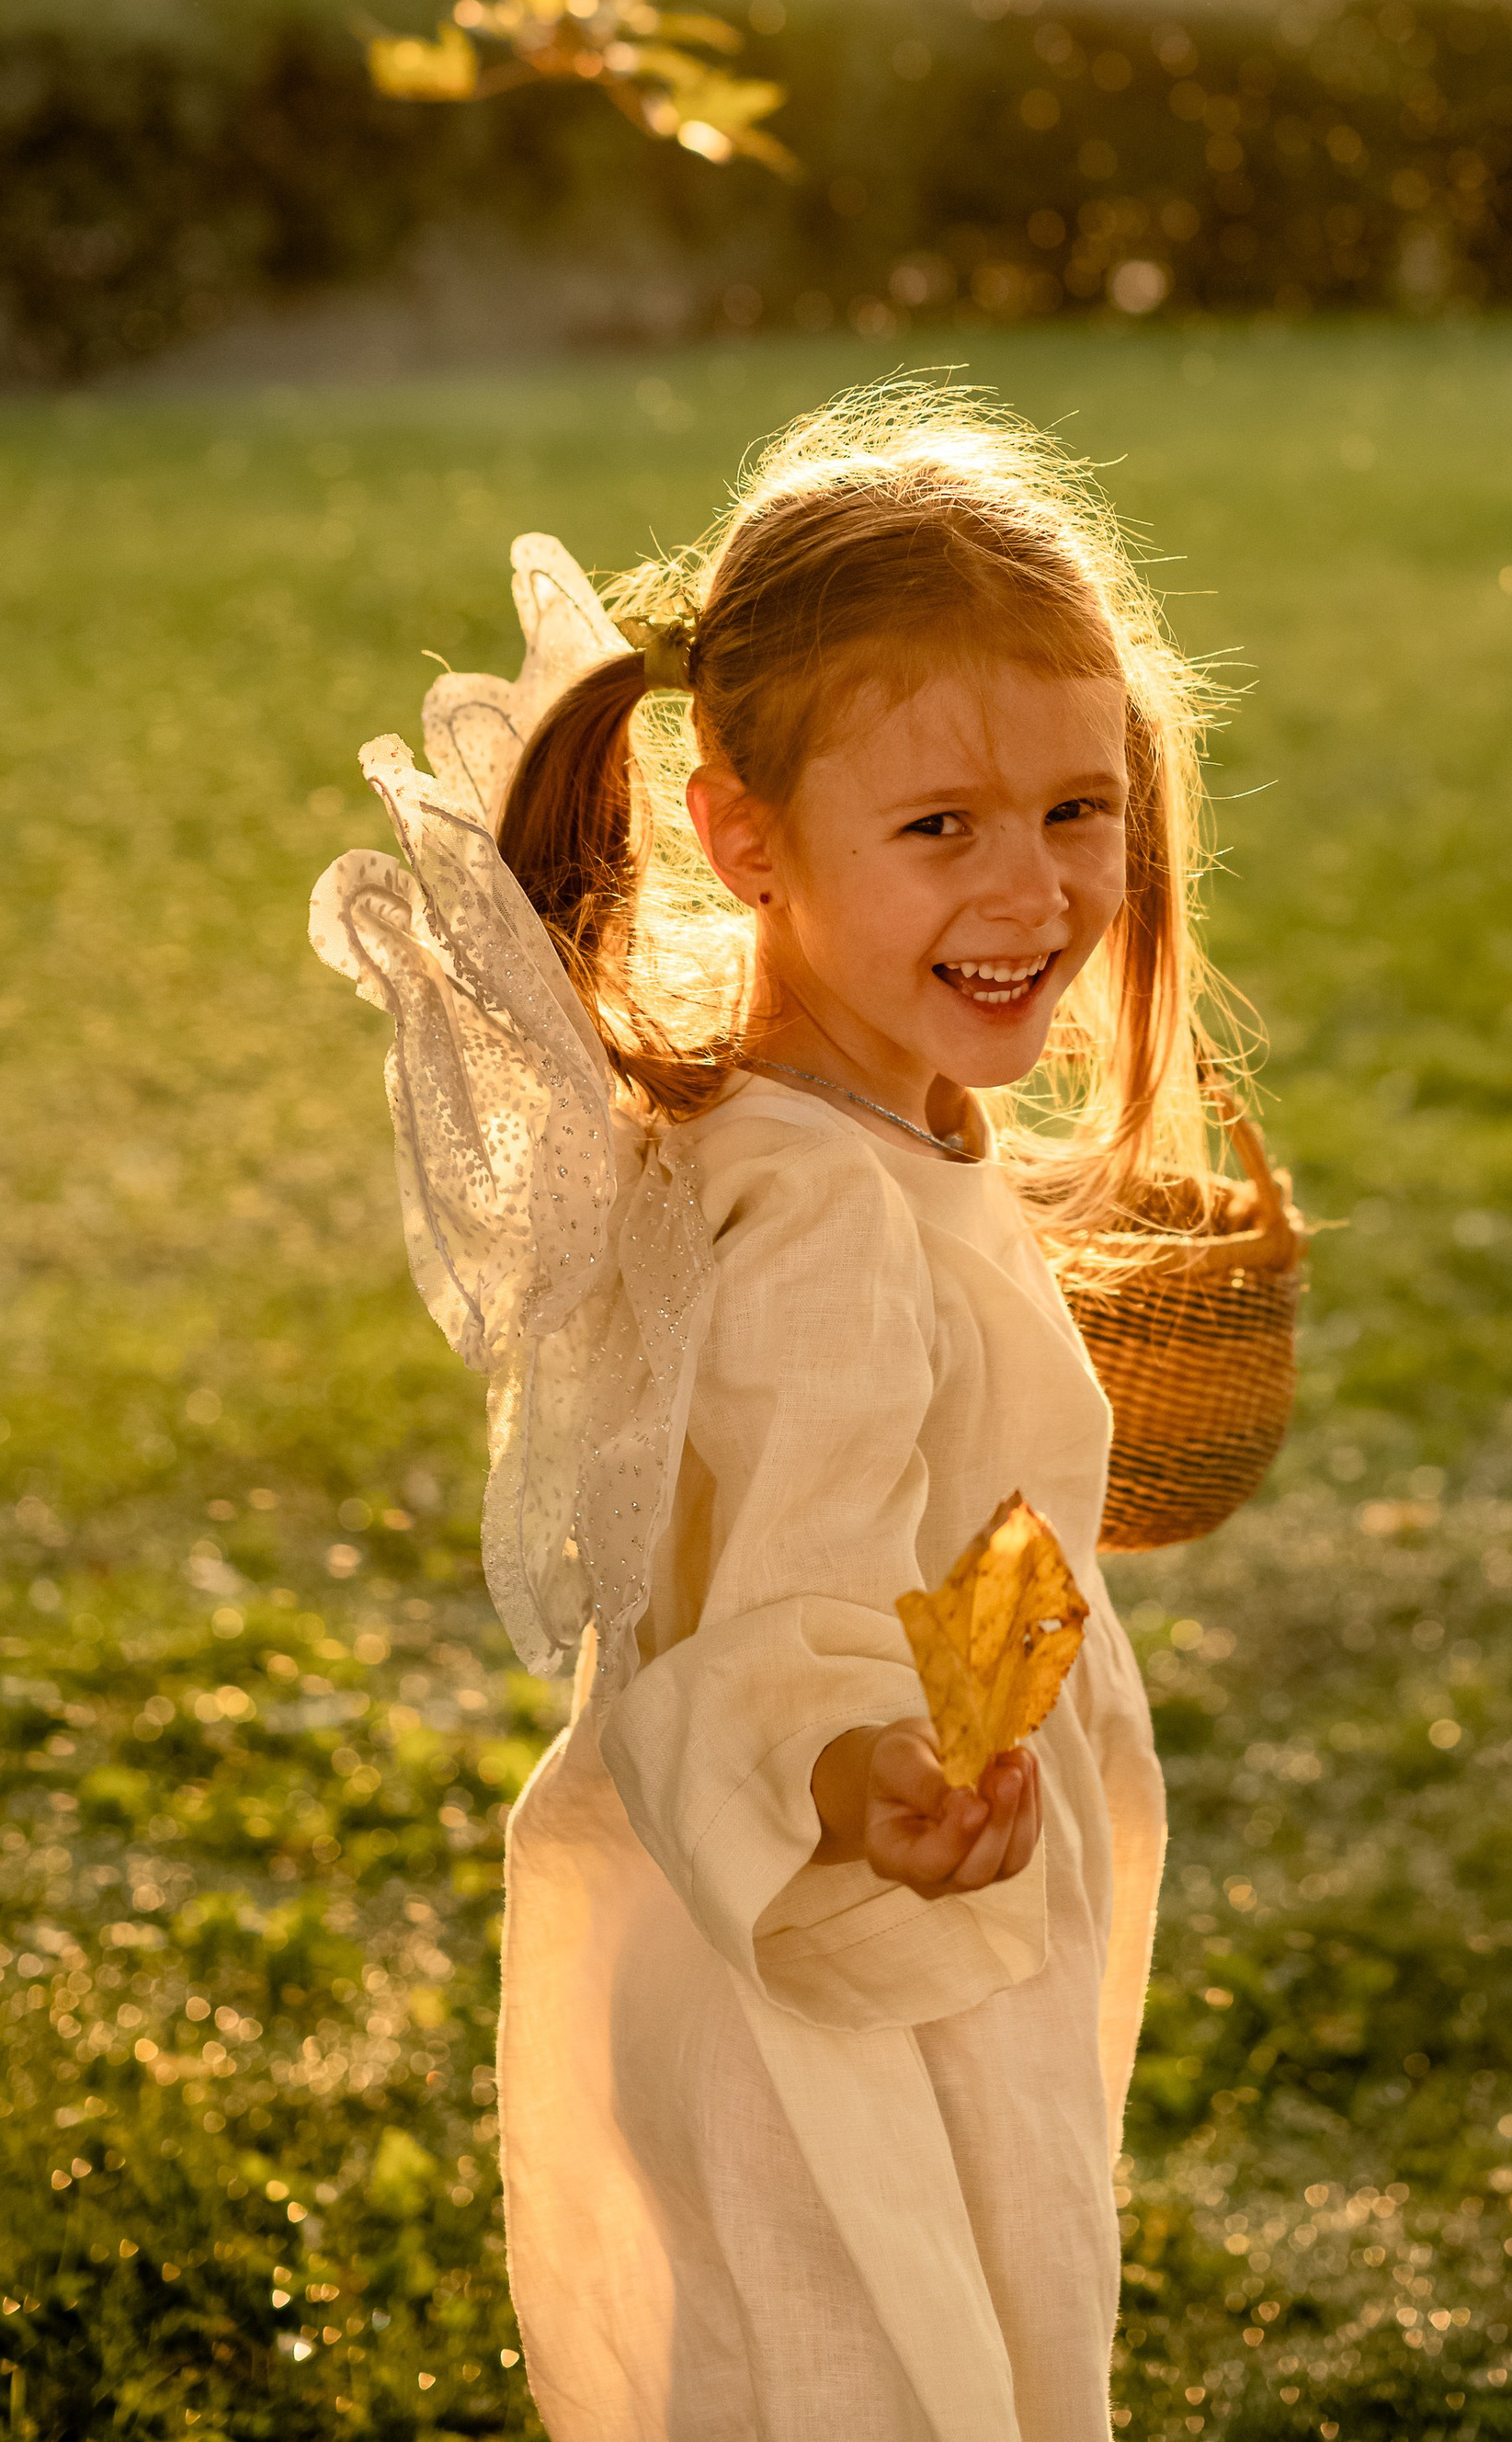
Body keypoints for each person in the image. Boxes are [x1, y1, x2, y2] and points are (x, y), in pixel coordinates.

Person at [309, 385, 1252, 2442]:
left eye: (1076, 811)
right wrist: (855, 1778)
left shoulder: (830, 1124)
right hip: (840, 1938)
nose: (1030, 891)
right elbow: (779, 1607)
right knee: (865, 2365)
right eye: (938, 827)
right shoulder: (812, 1218)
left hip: (878, 1896)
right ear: (740, 835)